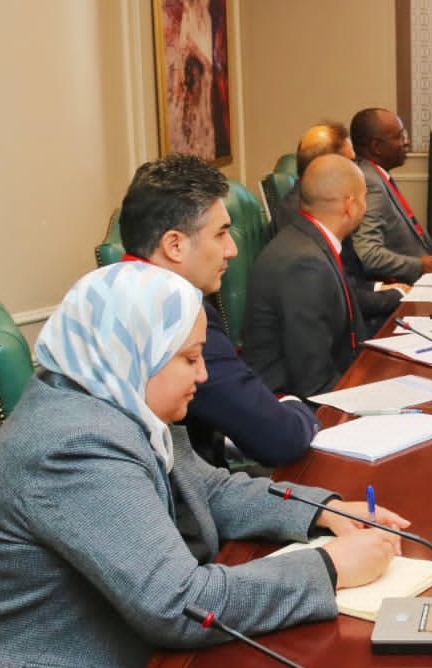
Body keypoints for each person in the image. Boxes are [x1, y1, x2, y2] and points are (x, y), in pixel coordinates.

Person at [0, 262, 405, 668]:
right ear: (135, 351)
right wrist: (329, 567)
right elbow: (178, 605)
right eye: (190, 358)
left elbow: (210, 490)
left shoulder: (115, 395)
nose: (204, 375)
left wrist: (324, 511)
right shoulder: (74, 443)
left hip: (111, 655)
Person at [119, 154, 317, 467]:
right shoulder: (176, 316)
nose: (232, 250)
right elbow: (280, 439)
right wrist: (298, 406)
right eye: (221, 234)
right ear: (174, 245)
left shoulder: (114, 295)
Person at [243, 154, 370, 398]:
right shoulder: (305, 264)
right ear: (350, 205)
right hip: (294, 407)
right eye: (365, 197)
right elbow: (313, 383)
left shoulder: (308, 241)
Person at [274, 120, 402, 337]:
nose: (357, 170)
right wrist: (396, 295)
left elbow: (346, 278)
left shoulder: (318, 205)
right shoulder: (304, 216)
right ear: (329, 166)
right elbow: (338, 296)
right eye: (351, 162)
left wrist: (380, 288)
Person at [351, 107, 432, 283]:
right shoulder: (369, 182)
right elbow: (369, 253)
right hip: (404, 287)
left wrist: (426, 248)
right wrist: (420, 264)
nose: (406, 142)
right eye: (399, 137)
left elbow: (392, 233)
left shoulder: (376, 174)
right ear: (376, 147)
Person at [271, 120, 354, 232]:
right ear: (326, 168)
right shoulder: (300, 216)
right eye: (350, 163)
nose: (356, 172)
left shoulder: (324, 203)